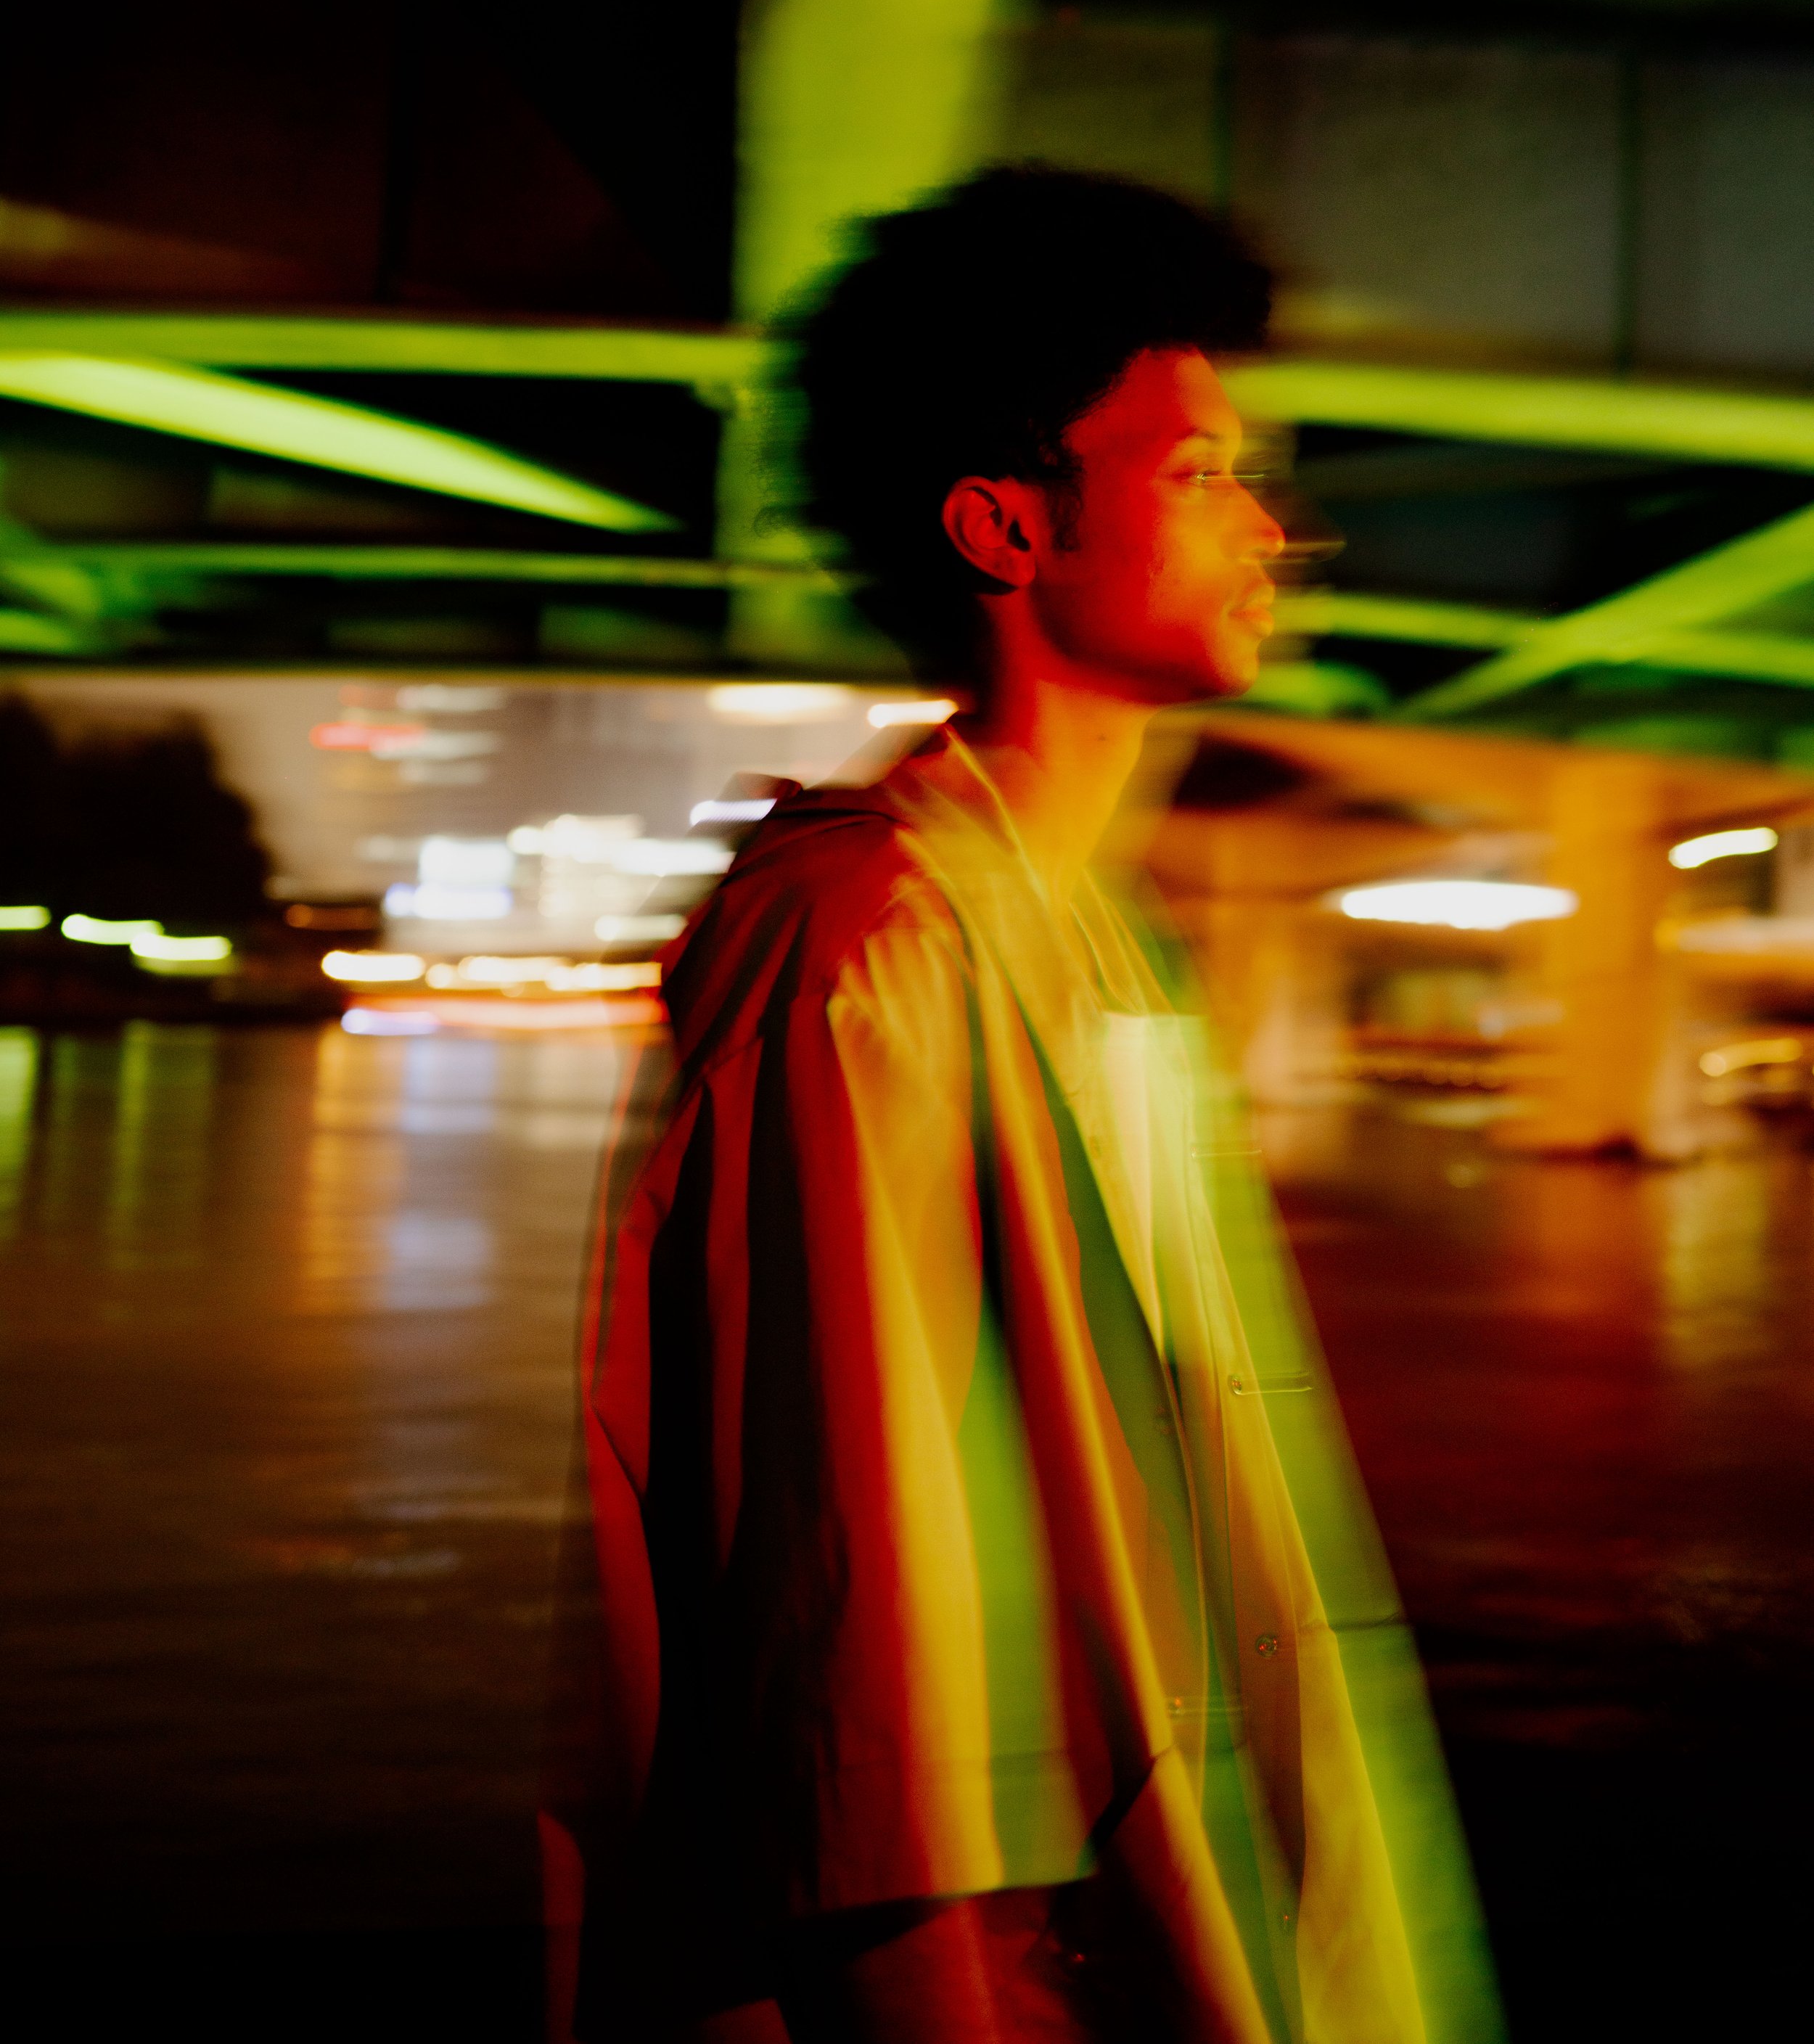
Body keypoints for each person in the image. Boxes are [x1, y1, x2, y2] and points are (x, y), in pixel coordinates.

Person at [545, 168, 1502, 2044]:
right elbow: (863, 1681)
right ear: (1005, 524)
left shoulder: (1087, 932)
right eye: (1199, 474)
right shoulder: (873, 942)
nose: (1271, 528)